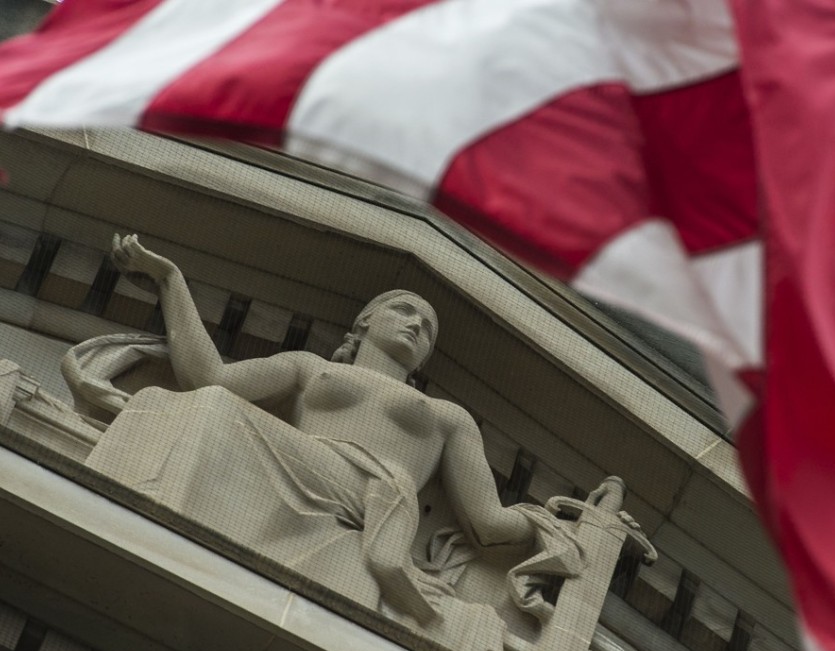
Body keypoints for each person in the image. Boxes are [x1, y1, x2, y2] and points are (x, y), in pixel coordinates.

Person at [110, 234, 537, 624]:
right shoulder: (309, 367)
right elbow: (209, 377)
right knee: (208, 402)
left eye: (426, 329)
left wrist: (556, 528)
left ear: (425, 358)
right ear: (365, 321)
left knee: (215, 407)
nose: (415, 326)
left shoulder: (448, 415)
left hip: (372, 492)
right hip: (305, 463)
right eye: (404, 311)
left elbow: (488, 522)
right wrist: (171, 281)